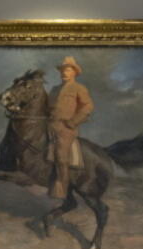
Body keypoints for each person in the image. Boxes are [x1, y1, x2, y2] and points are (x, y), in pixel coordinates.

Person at [49, 55, 94, 199]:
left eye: (67, 70)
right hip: (50, 124)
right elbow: (47, 107)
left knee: (61, 156)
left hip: (66, 128)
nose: (64, 73)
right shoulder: (55, 89)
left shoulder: (79, 88)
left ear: (74, 72)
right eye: (62, 70)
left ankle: (62, 187)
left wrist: (73, 122)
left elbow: (88, 106)